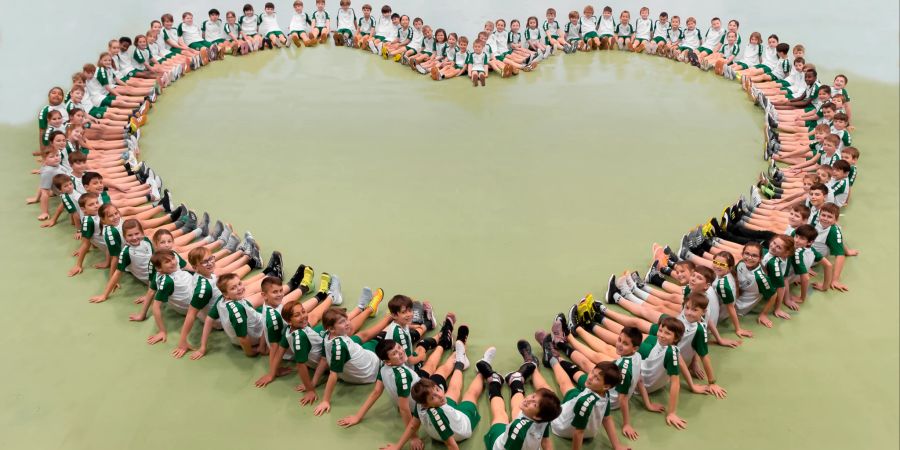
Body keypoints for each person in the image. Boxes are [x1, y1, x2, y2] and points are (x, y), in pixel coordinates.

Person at [381, 341, 487, 449]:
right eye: (433, 396)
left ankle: (460, 362)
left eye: (437, 389)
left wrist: (397, 446)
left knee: (453, 390)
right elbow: (451, 445)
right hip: (462, 427)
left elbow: (413, 425)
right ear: (426, 404)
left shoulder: (421, 404)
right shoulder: (437, 416)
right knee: (471, 395)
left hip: (442, 411)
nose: (440, 395)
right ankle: (483, 371)